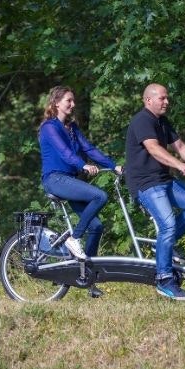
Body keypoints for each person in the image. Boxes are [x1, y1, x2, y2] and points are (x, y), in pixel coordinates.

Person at [125, 83, 185, 301]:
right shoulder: (142, 120)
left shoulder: (162, 121)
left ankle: (164, 246)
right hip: (146, 184)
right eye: (162, 98)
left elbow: (180, 147)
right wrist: (180, 166)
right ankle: (164, 279)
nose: (167, 102)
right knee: (168, 225)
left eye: (167, 98)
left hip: (163, 180)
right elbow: (153, 148)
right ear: (148, 100)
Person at [39, 86, 122, 298]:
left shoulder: (71, 128)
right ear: (57, 102)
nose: (73, 104)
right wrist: (82, 165)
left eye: (73, 101)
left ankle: (88, 280)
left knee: (96, 226)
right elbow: (65, 153)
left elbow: (90, 149)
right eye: (69, 100)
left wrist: (113, 166)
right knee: (99, 196)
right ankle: (74, 238)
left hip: (69, 180)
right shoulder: (49, 127)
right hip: (55, 179)